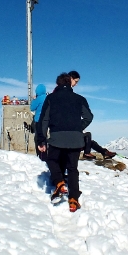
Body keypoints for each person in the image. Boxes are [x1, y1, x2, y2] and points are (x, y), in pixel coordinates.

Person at [37, 72, 93, 212]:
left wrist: (41, 139)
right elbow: (89, 116)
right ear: (69, 83)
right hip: (76, 139)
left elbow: (44, 120)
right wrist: (78, 128)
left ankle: (60, 182)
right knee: (73, 168)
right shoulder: (80, 98)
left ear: (58, 84)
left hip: (57, 137)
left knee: (52, 160)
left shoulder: (51, 98)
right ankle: (73, 199)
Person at [29, 84, 47, 158]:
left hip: (38, 120)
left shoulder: (38, 98)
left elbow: (32, 108)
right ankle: (45, 154)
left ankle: (40, 154)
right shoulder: (47, 97)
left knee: (37, 138)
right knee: (44, 136)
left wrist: (34, 99)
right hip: (46, 120)